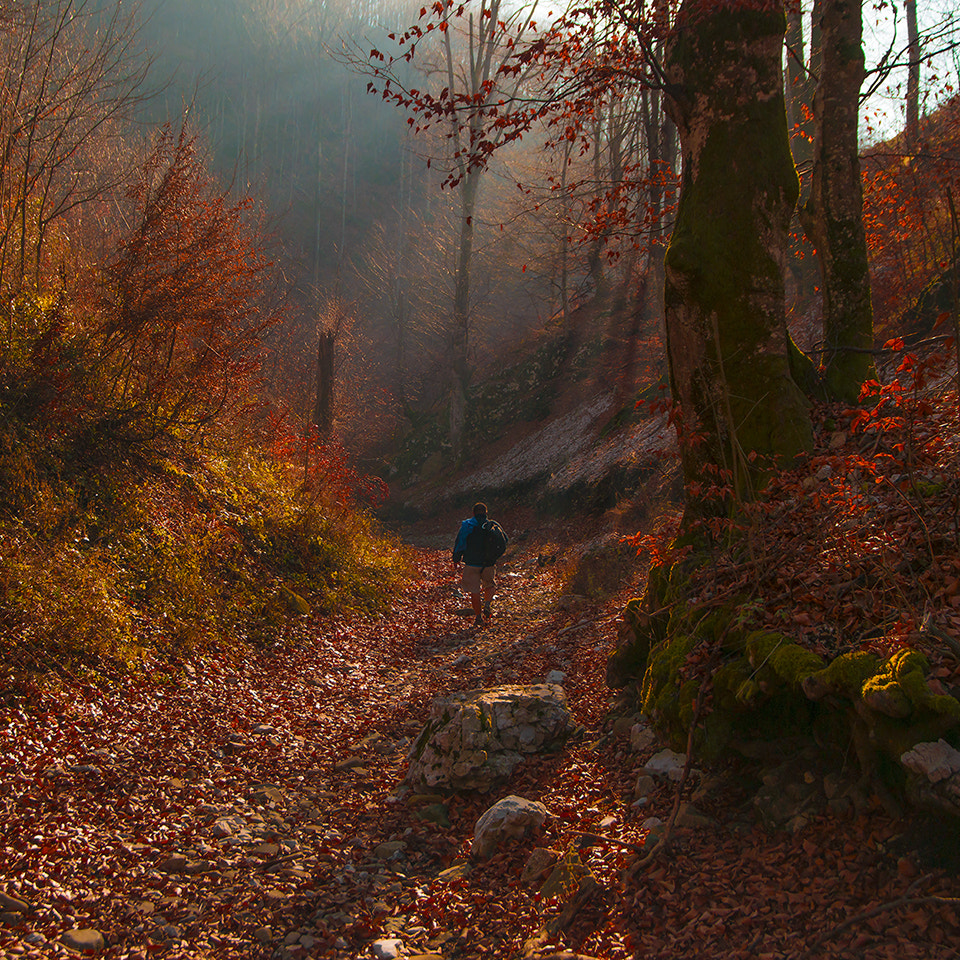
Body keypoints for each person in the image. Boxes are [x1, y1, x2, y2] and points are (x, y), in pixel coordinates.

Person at [452, 501, 505, 628]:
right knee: (490, 585)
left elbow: (460, 542)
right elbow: (504, 541)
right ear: (486, 513)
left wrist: (456, 559)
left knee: (474, 591)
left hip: (471, 563)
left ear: (473, 513)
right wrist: (495, 557)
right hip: (488, 563)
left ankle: (478, 617)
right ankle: (487, 604)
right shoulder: (492, 525)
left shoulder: (468, 525)